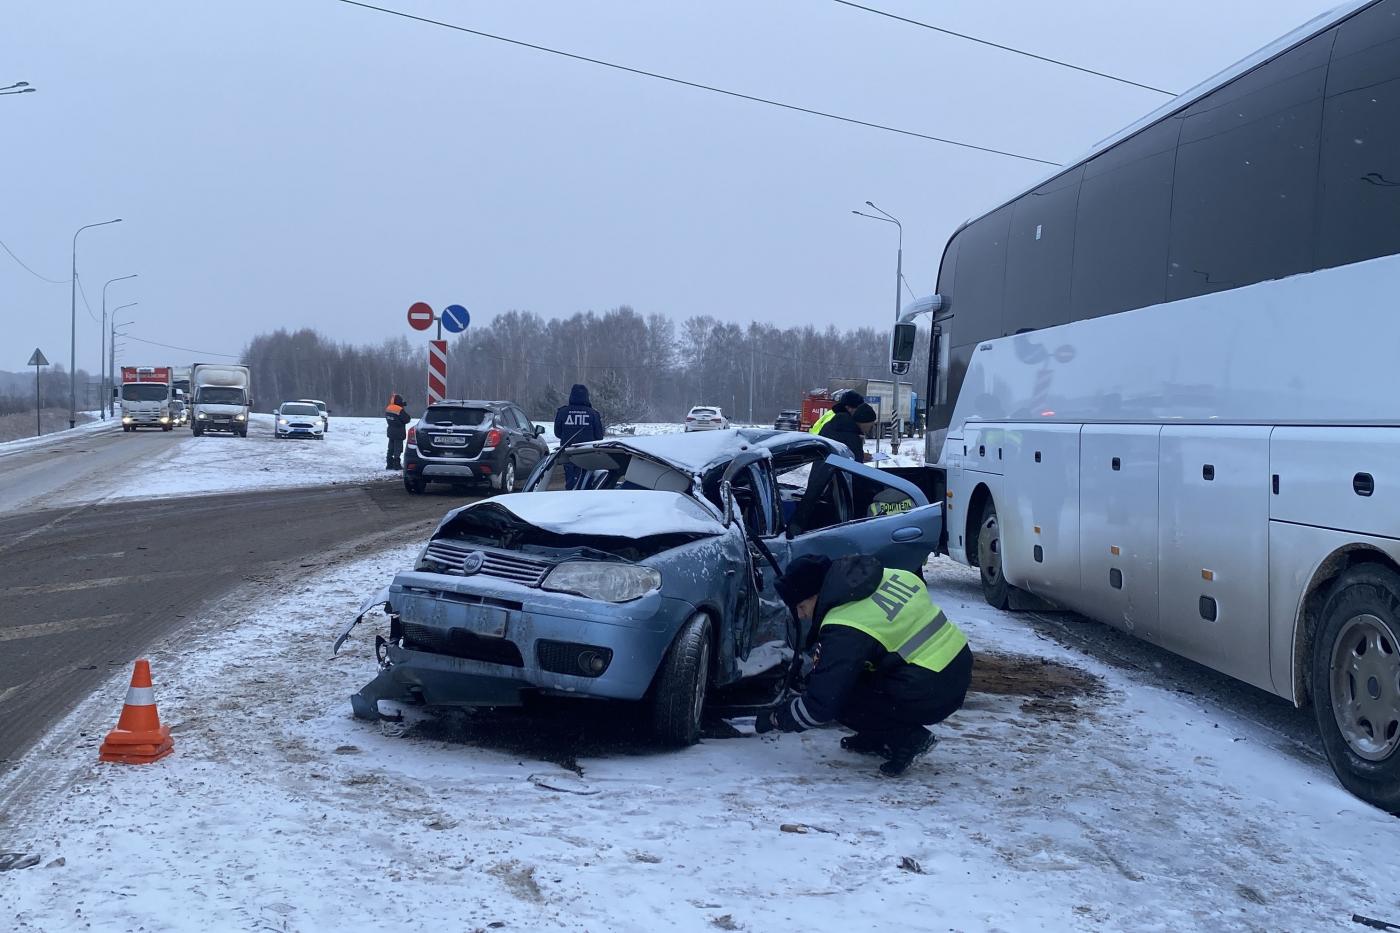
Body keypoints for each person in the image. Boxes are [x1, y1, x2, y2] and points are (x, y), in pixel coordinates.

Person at [757, 553, 973, 776]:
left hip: (931, 688)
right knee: (849, 676)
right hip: (956, 664)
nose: (801, 616)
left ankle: (908, 739)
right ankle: (877, 736)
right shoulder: (889, 576)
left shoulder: (845, 625)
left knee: (837, 695)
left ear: (816, 594)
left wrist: (776, 719)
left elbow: (820, 704)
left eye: (801, 607)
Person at [553, 384, 605, 488]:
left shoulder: (562, 412)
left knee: (570, 481)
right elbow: (599, 436)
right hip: (588, 454)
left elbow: (557, 433)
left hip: (568, 453)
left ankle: (571, 497)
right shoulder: (593, 414)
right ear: (587, 396)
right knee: (586, 483)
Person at [383, 393, 411, 470]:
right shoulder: (399, 409)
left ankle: (389, 464)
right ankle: (396, 465)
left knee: (390, 448)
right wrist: (402, 408)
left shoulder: (388, 408)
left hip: (391, 431)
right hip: (398, 432)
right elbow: (407, 419)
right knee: (398, 449)